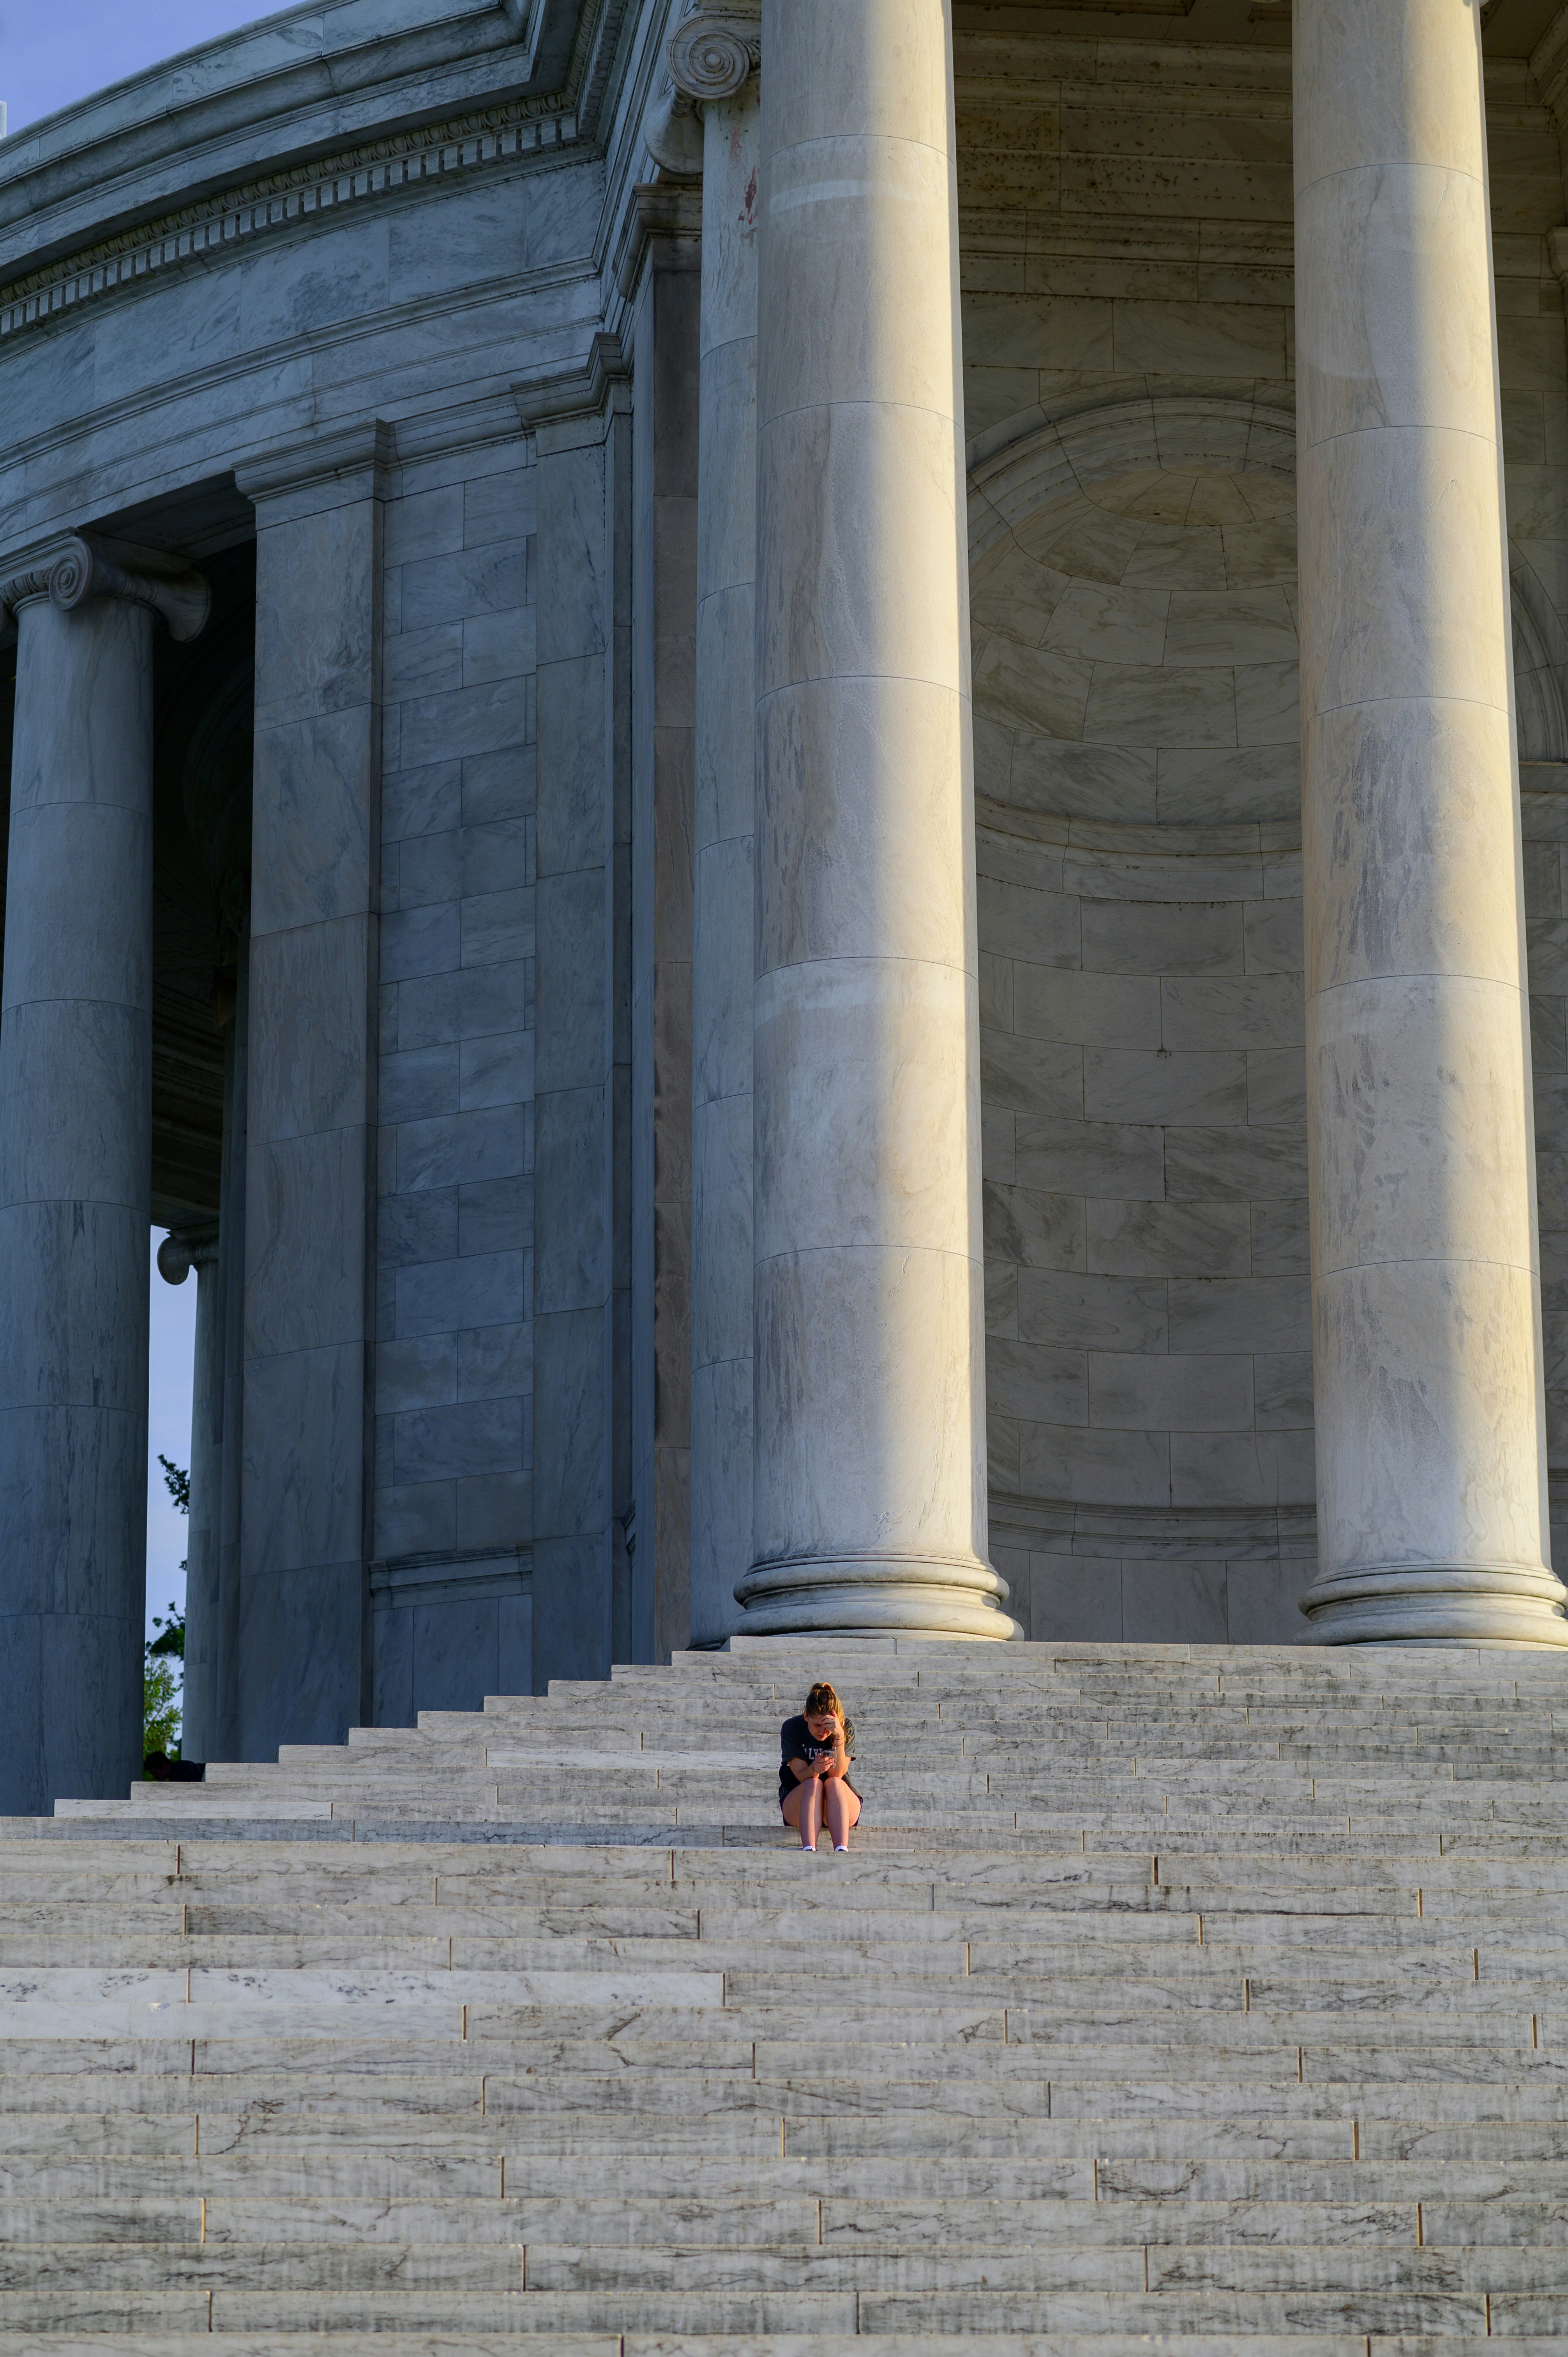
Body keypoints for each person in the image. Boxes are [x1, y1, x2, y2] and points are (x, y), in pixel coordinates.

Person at [779, 1680, 862, 1852]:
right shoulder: (792, 1728)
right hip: (801, 1802)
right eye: (817, 1725)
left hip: (838, 1802)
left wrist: (839, 1737)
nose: (822, 1732)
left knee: (834, 1783)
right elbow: (802, 1775)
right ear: (806, 1716)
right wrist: (814, 1769)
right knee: (813, 1783)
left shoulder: (845, 1727)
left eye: (827, 1727)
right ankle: (809, 1849)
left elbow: (838, 1773)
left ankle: (841, 1849)